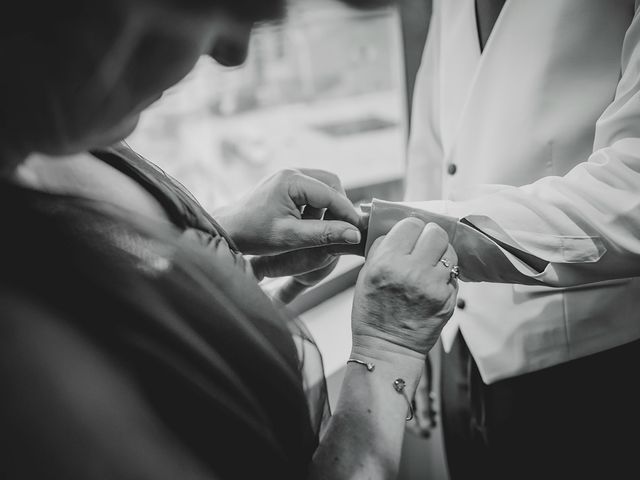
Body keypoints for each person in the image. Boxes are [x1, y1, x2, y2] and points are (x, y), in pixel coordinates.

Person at [0, 0, 461, 479]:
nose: (233, 53)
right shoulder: (22, 364)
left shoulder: (61, 138)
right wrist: (387, 352)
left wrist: (213, 241)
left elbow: (104, 276)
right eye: (208, 9)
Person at [363, 0, 640, 478]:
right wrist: (425, 333)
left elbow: (633, 184)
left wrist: (408, 230)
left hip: (583, 360)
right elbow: (433, 142)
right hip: (455, 342)